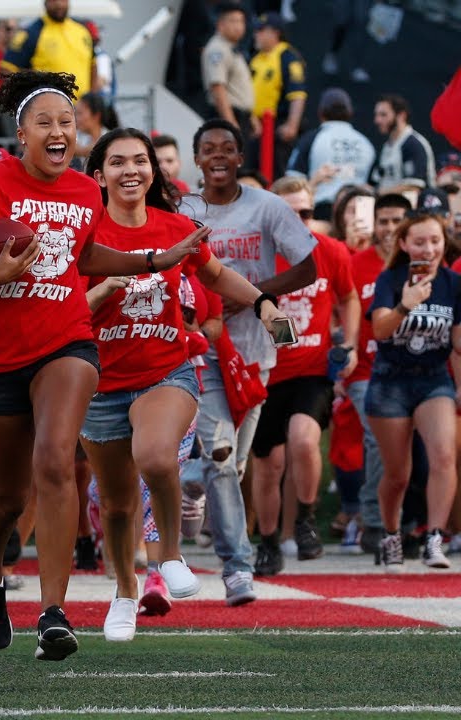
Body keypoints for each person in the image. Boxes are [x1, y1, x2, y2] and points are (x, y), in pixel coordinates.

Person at [0, 70, 204, 660]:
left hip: (66, 343)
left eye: (67, 123)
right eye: (44, 122)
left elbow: (86, 254)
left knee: (55, 460)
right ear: (21, 132)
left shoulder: (80, 190)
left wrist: (151, 258)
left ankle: (53, 614)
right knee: (8, 498)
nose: (58, 131)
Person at [80, 127, 284, 641]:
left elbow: (214, 276)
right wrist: (102, 291)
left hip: (166, 370)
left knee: (154, 456)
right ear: (99, 174)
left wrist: (261, 303)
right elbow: (63, 312)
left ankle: (169, 554)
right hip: (100, 384)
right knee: (118, 504)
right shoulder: (84, 234)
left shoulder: (177, 226)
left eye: (140, 161)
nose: (130, 170)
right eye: (118, 161)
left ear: (153, 171)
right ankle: (125, 594)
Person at [178, 118, 316, 606]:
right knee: (219, 457)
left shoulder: (269, 207)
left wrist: (256, 295)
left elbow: (308, 265)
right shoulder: (183, 210)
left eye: (228, 148)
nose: (218, 155)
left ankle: (189, 482)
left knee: (230, 467)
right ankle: (238, 568)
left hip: (257, 350)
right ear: (196, 159)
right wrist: (204, 305)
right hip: (202, 350)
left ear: (240, 158)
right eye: (208, 148)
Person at [248, 175, 359, 576]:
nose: (299, 220)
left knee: (302, 438)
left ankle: (307, 519)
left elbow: (348, 296)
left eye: (306, 213)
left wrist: (350, 344)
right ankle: (269, 541)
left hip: (313, 370)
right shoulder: (257, 254)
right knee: (268, 464)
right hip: (265, 370)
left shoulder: (330, 251)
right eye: (289, 213)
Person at [366, 213, 461, 572]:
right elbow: (380, 330)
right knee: (398, 474)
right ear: (404, 245)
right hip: (390, 380)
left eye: (435, 241)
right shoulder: (389, 279)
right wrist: (406, 303)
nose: (429, 249)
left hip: (434, 378)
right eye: (420, 242)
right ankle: (391, 535)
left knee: (443, 456)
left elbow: (457, 343)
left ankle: (433, 538)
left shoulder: (454, 284)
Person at [346, 193, 411, 557]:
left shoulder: (420, 262)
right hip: (366, 373)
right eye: (382, 221)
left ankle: (412, 523)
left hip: (413, 372)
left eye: (395, 220)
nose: (388, 228)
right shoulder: (356, 263)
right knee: (377, 436)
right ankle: (374, 521)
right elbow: (341, 313)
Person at [285, 88, 376, 221]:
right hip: (360, 213)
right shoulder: (365, 143)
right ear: (350, 112)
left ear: (321, 113)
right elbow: (373, 184)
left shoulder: (310, 140)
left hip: (323, 213)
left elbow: (291, 184)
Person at [249, 12, 305, 179]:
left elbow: (297, 94)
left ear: (275, 33)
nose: (256, 34)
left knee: (276, 174)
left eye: (260, 30)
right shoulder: (256, 58)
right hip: (256, 127)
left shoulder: (288, 57)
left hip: (276, 127)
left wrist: (292, 125)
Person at [0, 0, 95, 96]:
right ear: (45, 2)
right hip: (48, 107)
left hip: (82, 108)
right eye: (53, 0)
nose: (59, 4)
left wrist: (93, 96)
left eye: (63, 0)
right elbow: (6, 69)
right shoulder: (31, 33)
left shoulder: (82, 31)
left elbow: (93, 64)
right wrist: (30, 97)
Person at [201, 3, 255, 142]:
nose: (238, 26)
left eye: (241, 21)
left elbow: (238, 88)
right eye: (233, 21)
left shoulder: (232, 48)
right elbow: (217, 87)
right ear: (220, 25)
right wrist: (230, 123)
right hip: (226, 116)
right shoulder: (217, 49)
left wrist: (251, 117)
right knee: (225, 162)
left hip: (240, 116)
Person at [370, 94, 436, 193]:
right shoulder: (387, 146)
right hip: (387, 205)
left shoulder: (412, 144)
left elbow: (414, 186)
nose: (377, 120)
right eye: (376, 115)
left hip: (413, 206)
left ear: (401, 116)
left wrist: (378, 193)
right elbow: (375, 181)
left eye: (383, 115)